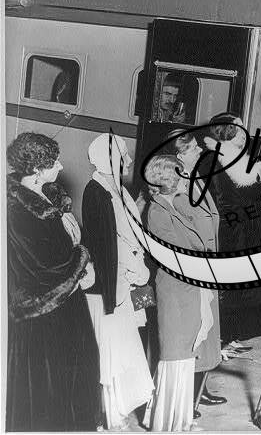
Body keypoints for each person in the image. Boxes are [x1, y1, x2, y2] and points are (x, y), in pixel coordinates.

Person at [6, 132, 100, 431]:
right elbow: (41, 267)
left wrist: (80, 262)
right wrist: (82, 259)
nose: (60, 166)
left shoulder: (49, 197)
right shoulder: (17, 210)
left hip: (67, 303)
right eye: (53, 162)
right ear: (36, 168)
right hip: (44, 312)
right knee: (51, 390)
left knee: (75, 378)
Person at [143, 155, 223, 431]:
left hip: (188, 289)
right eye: (182, 174)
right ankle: (167, 423)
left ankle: (181, 420)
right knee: (175, 358)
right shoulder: (157, 212)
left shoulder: (172, 206)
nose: (187, 178)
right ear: (169, 179)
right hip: (176, 292)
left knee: (186, 358)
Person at [203, 112, 261, 343]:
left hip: (244, 227)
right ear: (225, 132)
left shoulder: (230, 156)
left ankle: (232, 335)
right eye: (238, 128)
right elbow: (246, 194)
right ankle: (225, 337)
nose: (244, 133)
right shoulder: (220, 158)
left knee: (243, 286)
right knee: (236, 288)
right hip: (235, 231)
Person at [82, 133, 154, 430]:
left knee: (134, 338)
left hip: (134, 279)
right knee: (114, 351)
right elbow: (107, 246)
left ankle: (125, 407)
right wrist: (136, 270)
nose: (129, 160)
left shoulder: (117, 188)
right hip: (114, 286)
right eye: (123, 155)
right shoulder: (97, 192)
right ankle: (110, 414)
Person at [167, 130, 227, 414]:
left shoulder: (196, 178)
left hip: (207, 262)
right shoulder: (174, 185)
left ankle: (199, 389)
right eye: (193, 148)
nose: (200, 151)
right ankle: (184, 397)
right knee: (193, 330)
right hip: (193, 266)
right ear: (179, 156)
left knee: (207, 328)